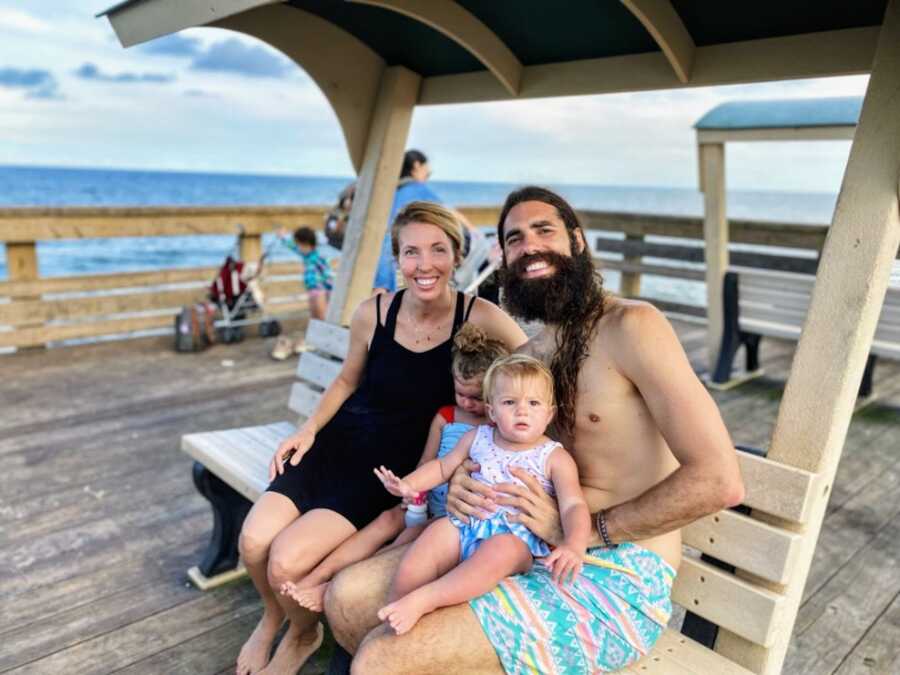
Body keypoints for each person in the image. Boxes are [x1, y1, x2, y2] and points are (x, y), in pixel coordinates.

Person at [324, 186, 746, 674]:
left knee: (383, 659)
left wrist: (586, 533)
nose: (529, 246)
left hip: (613, 574)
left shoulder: (634, 327)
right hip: (518, 541)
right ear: (503, 259)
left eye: (544, 230)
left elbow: (719, 479)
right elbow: (492, 442)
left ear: (578, 242)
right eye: (514, 238)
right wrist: (462, 483)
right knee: (347, 599)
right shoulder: (531, 357)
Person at [234, 201, 526, 675]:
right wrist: (308, 429)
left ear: (456, 255)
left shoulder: (481, 316)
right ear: (396, 259)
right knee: (252, 542)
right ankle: (274, 619)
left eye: (438, 250)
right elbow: (347, 381)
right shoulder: (374, 311)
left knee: (285, 562)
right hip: (335, 446)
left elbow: (534, 371)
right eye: (411, 252)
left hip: (388, 473)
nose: (424, 265)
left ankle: (303, 635)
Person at [278, 323, 509, 614]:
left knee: (405, 541)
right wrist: (409, 488)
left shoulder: (495, 427)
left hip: (452, 518)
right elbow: (428, 461)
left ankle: (335, 583)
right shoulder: (446, 417)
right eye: (460, 392)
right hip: (424, 503)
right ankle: (314, 577)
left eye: (476, 398)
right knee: (385, 522)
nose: (466, 402)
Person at [373, 354, 590, 636]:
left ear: (549, 414)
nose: (522, 411)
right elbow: (441, 468)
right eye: (510, 402)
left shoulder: (554, 457)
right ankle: (395, 609)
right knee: (430, 541)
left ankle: (427, 599)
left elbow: (573, 504)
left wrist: (574, 545)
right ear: (492, 411)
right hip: (467, 523)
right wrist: (408, 484)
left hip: (515, 539)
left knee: (500, 551)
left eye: (533, 403)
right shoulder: (477, 437)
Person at [373, 150, 442, 294]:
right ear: (417, 166)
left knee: (381, 296)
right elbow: (445, 214)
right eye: (427, 171)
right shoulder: (419, 189)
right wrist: (473, 231)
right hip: (402, 250)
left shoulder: (392, 190)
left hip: (381, 253)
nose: (427, 175)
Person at [271, 225, 334, 360]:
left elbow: (327, 275)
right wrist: (282, 238)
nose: (297, 247)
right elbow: (292, 247)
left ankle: (327, 344)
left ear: (306, 244)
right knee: (314, 318)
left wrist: (330, 291)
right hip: (312, 291)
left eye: (299, 244)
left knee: (322, 317)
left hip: (320, 290)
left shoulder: (317, 257)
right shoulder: (306, 255)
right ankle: (316, 342)